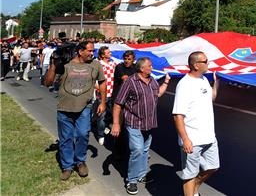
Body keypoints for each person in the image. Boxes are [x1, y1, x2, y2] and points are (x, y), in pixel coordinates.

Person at [44, 41, 107, 181]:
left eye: (93, 50)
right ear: (80, 51)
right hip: (64, 109)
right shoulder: (65, 64)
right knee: (66, 139)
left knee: (82, 134)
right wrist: (53, 65)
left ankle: (80, 161)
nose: (92, 53)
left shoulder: (95, 65)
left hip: (85, 107)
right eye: (89, 50)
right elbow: (47, 83)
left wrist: (102, 102)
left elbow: (102, 82)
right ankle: (67, 166)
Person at [111, 57, 170, 195]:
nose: (152, 67)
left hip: (148, 124)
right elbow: (118, 103)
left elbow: (158, 93)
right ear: (142, 68)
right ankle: (131, 180)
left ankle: (141, 174)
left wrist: (166, 81)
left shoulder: (153, 81)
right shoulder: (131, 82)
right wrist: (115, 124)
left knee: (144, 150)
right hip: (134, 123)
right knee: (137, 150)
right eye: (150, 65)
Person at [173, 51, 220, 196]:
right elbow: (177, 115)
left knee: (213, 167)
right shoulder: (184, 85)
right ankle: (191, 190)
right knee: (189, 175)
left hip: (209, 137)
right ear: (195, 65)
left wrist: (216, 84)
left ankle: (194, 189)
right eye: (205, 61)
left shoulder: (204, 80)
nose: (208, 63)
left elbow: (211, 97)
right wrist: (185, 139)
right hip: (192, 140)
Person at [94, 46, 116, 145]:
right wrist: (98, 88)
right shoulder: (98, 64)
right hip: (102, 95)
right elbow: (94, 79)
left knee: (111, 114)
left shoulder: (113, 63)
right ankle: (100, 135)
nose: (110, 53)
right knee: (101, 116)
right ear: (103, 55)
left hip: (113, 94)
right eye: (108, 52)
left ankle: (106, 126)